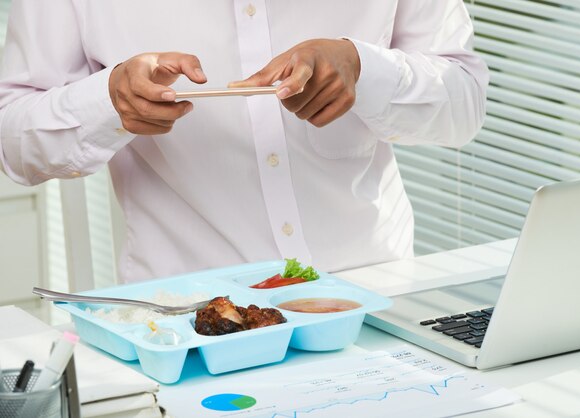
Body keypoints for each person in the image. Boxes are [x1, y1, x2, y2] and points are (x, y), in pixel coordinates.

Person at [0, 1, 488, 283]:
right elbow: (12, 140)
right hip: (188, 324)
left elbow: (463, 104)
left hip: (378, 299)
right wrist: (108, 102)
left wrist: (363, 68)